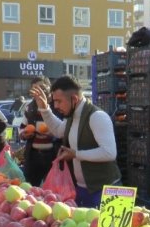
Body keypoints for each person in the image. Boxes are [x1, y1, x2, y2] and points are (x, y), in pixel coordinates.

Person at [30, 75, 120, 207]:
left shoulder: (98, 117)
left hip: (109, 190)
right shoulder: (72, 115)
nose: (56, 105)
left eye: (59, 101)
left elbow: (109, 153)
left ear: (74, 99)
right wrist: (44, 108)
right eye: (54, 101)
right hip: (82, 189)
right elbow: (58, 130)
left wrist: (76, 154)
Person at [19, 77, 59, 186]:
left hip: (53, 155)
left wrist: (54, 134)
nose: (39, 91)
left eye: (42, 87)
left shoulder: (57, 105)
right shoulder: (30, 107)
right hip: (33, 155)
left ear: (49, 87)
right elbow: (23, 126)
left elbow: (65, 128)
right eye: (35, 89)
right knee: (31, 188)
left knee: (53, 188)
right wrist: (24, 134)